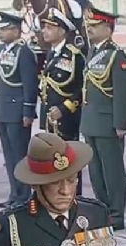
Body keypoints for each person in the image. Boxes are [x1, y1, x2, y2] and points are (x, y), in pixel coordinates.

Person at [81, 7, 126, 231]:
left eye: (93, 26)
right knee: (95, 171)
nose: (89, 30)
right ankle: (102, 210)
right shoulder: (92, 52)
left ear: (107, 28)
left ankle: (116, 214)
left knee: (112, 172)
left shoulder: (116, 55)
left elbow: (123, 92)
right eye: (88, 26)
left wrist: (121, 124)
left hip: (107, 122)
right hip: (91, 121)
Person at [0, 11, 38, 208]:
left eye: (5, 30)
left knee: (19, 154)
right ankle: (14, 193)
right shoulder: (5, 50)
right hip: (4, 108)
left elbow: (30, 84)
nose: (1, 33)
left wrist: (28, 110)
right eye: (0, 30)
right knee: (9, 155)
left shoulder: (24, 52)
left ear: (15, 30)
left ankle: (23, 194)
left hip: (17, 109)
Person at [39, 8, 85, 195]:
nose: (45, 31)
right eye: (45, 27)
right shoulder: (51, 54)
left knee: (69, 162)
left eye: (50, 27)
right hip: (50, 119)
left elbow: (81, 90)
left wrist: (63, 109)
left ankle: (74, 198)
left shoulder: (73, 56)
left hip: (65, 119)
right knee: (54, 161)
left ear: (62, 31)